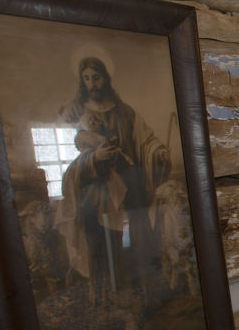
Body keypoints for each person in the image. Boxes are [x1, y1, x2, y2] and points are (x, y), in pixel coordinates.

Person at [57, 56, 171, 306]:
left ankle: (144, 291)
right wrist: (95, 157)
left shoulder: (125, 112)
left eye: (95, 77)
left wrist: (158, 152)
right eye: (86, 78)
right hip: (97, 191)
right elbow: (75, 153)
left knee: (140, 235)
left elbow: (145, 139)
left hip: (131, 185)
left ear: (105, 78)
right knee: (101, 241)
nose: (92, 83)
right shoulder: (77, 113)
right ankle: (107, 297)